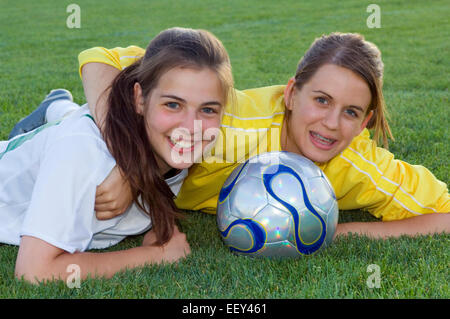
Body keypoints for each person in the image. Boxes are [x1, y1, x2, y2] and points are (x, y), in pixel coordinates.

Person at [12, 32, 449, 240]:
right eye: (321, 100)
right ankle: (60, 110)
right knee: (76, 139)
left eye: (351, 112)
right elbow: (100, 58)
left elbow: (444, 216)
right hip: (117, 148)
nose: (332, 124)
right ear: (291, 94)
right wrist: (127, 161)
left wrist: (339, 233)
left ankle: (60, 108)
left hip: (163, 196)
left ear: (367, 121)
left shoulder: (360, 167)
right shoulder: (225, 117)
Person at [1, 27, 233, 284]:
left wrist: (160, 222)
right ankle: (56, 111)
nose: (191, 127)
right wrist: (154, 255)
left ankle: (56, 109)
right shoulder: (82, 152)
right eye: (173, 104)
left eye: (208, 109)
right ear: (140, 99)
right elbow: (34, 272)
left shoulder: (174, 149)